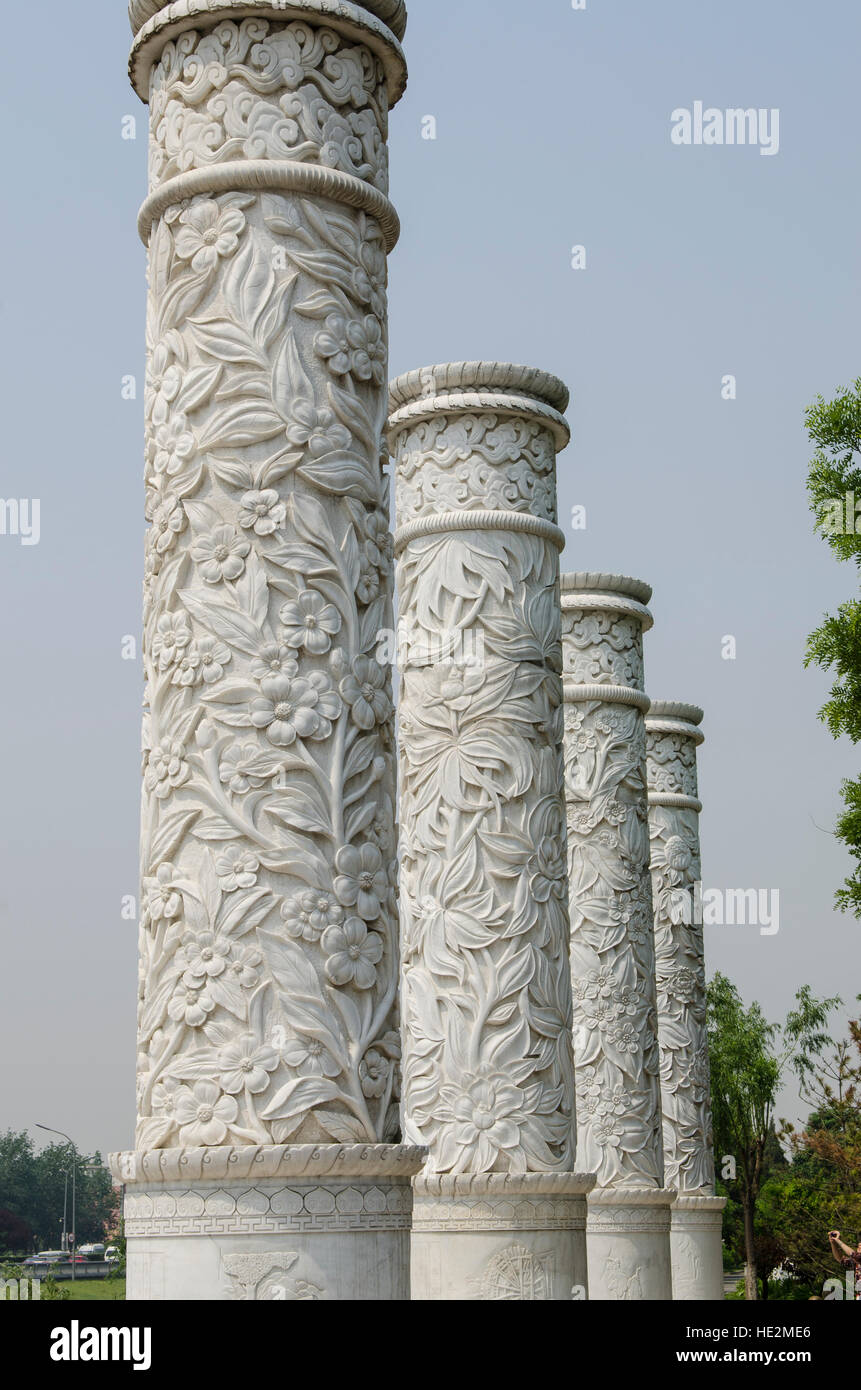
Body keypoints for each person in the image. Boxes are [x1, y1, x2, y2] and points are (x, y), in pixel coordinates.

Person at [829, 1230, 861, 1299]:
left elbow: (854, 1255)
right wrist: (833, 1243)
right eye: (859, 1243)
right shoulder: (857, 1263)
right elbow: (840, 1259)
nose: (859, 1244)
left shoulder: (858, 1259)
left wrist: (838, 1240)